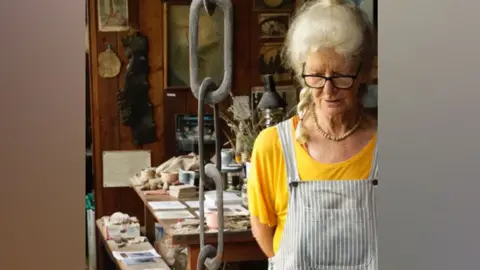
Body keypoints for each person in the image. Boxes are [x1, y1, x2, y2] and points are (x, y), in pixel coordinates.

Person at [247, 0, 378, 269]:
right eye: (317, 76)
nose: (328, 91)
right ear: (302, 71)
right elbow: (264, 233)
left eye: (341, 76)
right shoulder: (273, 146)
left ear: (364, 73)